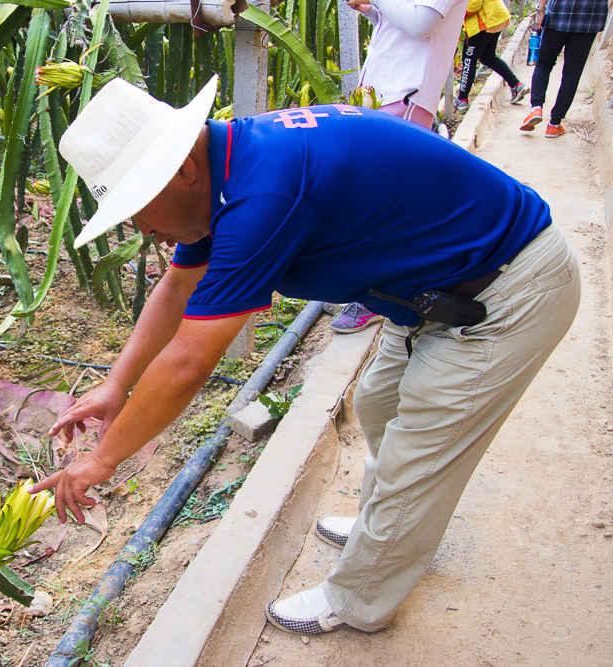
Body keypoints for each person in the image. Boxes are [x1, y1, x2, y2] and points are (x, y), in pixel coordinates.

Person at [30, 76, 580, 635]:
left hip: (503, 295)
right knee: (379, 405)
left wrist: (101, 461)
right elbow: (177, 287)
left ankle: (360, 598)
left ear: (179, 170)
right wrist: (115, 384)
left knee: (420, 452)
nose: (143, 229)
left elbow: (188, 363)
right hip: (437, 292)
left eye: (138, 209)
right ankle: (388, 528)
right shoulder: (225, 170)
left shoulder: (263, 194)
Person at [328, 0, 468, 334]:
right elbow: (398, 21)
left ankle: (376, 298)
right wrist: (368, 9)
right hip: (386, 89)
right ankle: (380, 289)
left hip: (407, 94)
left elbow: (422, 24)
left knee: (382, 199)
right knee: (374, 195)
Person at [520, 0, 608, 137]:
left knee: (544, 64)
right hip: (590, 17)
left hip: (559, 13)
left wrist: (541, 10)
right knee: (572, 73)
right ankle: (554, 125)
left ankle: (536, 108)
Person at [455, 0, 530, 111]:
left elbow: (474, 4)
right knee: (488, 58)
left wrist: (456, 15)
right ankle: (516, 85)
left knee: (469, 61)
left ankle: (462, 99)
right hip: (495, 18)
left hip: (484, 22)